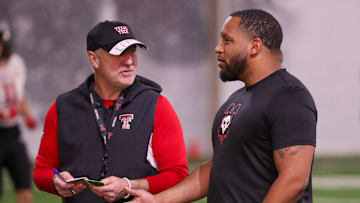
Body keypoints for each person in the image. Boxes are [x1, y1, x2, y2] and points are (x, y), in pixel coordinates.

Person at [126, 9, 317, 203]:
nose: (218, 48)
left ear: (255, 46)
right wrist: (155, 201)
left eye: (227, 40)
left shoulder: (288, 96)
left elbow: (293, 181)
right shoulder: (237, 100)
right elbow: (214, 170)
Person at [32, 20, 188, 203]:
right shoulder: (63, 107)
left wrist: (129, 185)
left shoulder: (156, 105)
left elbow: (178, 174)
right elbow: (41, 171)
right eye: (119, 53)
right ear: (94, 59)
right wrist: (55, 181)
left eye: (132, 52)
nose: (129, 61)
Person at [0, 22, 37, 203]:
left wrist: (27, 115)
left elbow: (19, 95)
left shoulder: (15, 63)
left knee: (24, 192)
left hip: (13, 133)